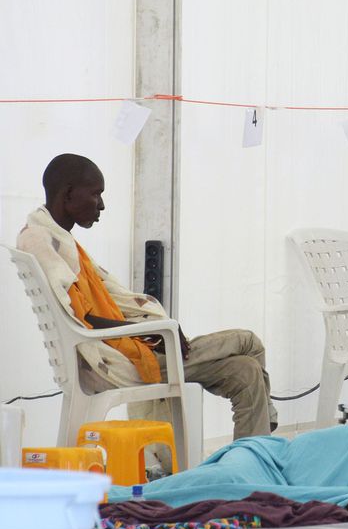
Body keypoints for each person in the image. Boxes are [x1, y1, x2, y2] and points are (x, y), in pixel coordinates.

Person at [17, 153, 278, 439]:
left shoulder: (52, 239)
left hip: (124, 348)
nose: (102, 205)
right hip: (118, 361)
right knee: (248, 341)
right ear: (68, 194)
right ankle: (268, 423)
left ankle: (248, 465)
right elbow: (84, 320)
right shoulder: (43, 242)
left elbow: (90, 312)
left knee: (247, 372)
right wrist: (155, 331)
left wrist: (150, 332)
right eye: (96, 194)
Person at [107, 420, 348, 514]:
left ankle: (124, 497)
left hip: (276, 486)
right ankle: (117, 495)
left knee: (231, 492)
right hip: (266, 461)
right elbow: (309, 474)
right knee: (224, 480)